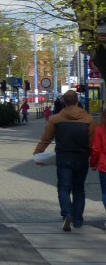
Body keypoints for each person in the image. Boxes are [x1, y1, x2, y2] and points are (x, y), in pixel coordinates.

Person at [34, 90, 93, 231]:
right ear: (78, 100)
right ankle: (78, 220)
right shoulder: (88, 119)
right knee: (79, 189)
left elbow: (46, 139)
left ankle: (67, 214)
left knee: (63, 188)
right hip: (81, 158)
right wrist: (92, 157)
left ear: (63, 102)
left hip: (63, 157)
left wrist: (37, 153)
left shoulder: (55, 119)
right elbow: (92, 141)